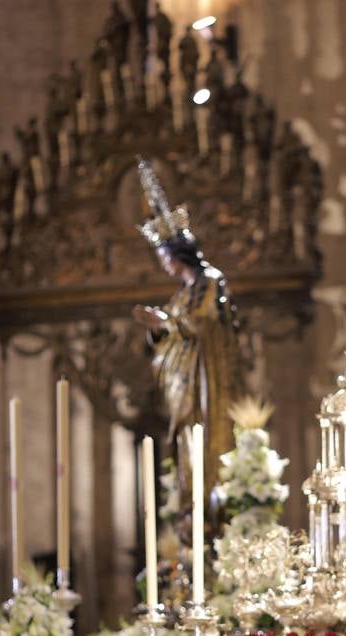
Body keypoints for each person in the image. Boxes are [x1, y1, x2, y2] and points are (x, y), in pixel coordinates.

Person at [131, 158, 242, 523]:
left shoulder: (210, 282)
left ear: (177, 254)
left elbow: (204, 323)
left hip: (204, 380)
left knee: (204, 441)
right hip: (181, 383)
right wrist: (158, 326)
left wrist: (167, 321)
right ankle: (189, 512)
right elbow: (172, 332)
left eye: (163, 256)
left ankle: (208, 513)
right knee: (183, 445)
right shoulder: (181, 295)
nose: (162, 264)